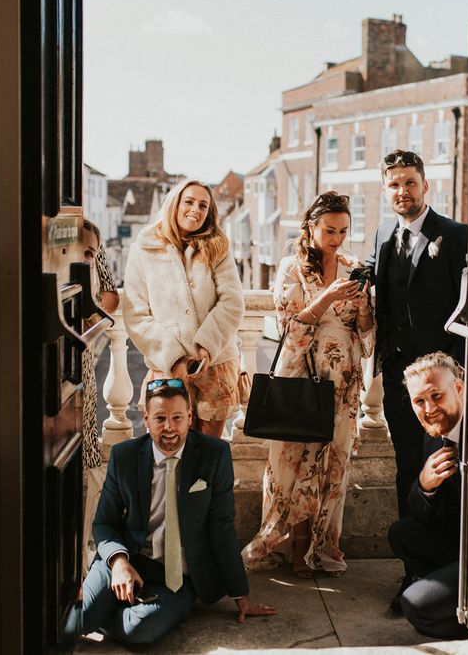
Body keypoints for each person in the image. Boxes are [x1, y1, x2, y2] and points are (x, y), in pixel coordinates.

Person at [81, 379, 276, 645]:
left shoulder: (215, 454)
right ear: (147, 420)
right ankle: (96, 607)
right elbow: (104, 522)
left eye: (177, 417)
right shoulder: (123, 455)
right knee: (79, 619)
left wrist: (240, 593)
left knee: (140, 630)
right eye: (160, 418)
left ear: (189, 418)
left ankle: (107, 611)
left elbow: (222, 526)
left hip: (180, 578)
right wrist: (118, 562)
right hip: (130, 557)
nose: (169, 427)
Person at [242, 191, 374, 579]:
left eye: (343, 231)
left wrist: (364, 305)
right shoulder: (291, 268)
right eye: (329, 230)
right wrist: (329, 296)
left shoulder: (353, 266)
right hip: (300, 374)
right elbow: (290, 326)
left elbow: (364, 330)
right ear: (311, 228)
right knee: (292, 460)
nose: (337, 238)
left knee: (333, 464)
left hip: (343, 380)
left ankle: (322, 546)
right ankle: (293, 547)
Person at [367, 149, 468, 520]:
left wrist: (456, 370)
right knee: (407, 465)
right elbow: (377, 277)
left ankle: (446, 558)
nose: (402, 190)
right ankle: (411, 557)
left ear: (425, 185)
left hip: (442, 381)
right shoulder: (381, 234)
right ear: (384, 190)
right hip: (397, 381)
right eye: (394, 184)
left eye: (410, 182)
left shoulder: (456, 236)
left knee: (447, 466)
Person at [123, 179, 245, 438]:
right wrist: (175, 358)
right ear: (174, 204)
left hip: (215, 364)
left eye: (203, 205)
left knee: (207, 452)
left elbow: (232, 301)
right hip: (168, 367)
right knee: (170, 451)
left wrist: (207, 346)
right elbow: (136, 313)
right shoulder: (143, 249)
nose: (196, 210)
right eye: (189, 201)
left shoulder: (218, 246)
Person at [387, 351, 468, 640]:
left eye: (436, 396)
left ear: (459, 388)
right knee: (402, 533)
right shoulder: (433, 433)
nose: (429, 408)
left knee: (417, 608)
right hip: (459, 545)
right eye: (419, 401)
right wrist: (425, 485)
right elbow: (421, 514)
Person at [81, 218, 119, 470]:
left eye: (87, 254)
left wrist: (90, 313)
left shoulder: (94, 238)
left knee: (84, 431)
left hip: (82, 353)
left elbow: (111, 293)